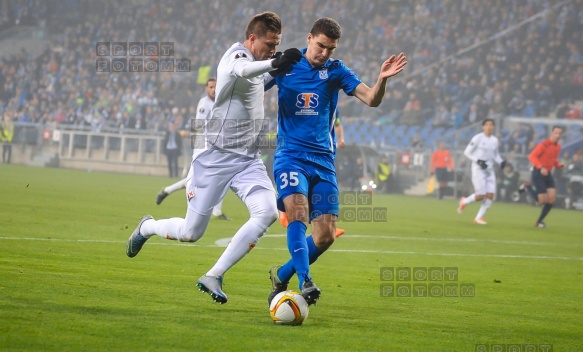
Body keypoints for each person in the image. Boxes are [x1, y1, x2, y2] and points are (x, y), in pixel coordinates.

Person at [126, 11, 302, 304]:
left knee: (268, 212)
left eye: (277, 44)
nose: (273, 48)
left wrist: (288, 61)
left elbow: (262, 76)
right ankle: (147, 227)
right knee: (190, 233)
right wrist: (275, 62)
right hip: (214, 158)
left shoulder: (258, 64)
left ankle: (214, 275)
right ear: (252, 38)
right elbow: (246, 71)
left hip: (246, 159)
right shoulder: (234, 58)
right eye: (269, 43)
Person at [264, 17, 407, 306]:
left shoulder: (336, 70)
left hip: (323, 162)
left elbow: (371, 99)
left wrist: (381, 80)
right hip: (290, 157)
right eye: (321, 46)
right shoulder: (286, 65)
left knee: (326, 236)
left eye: (331, 48)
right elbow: (251, 89)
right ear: (309, 38)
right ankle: (305, 280)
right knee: (297, 212)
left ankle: (281, 273)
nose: (325, 53)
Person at [155, 78, 232, 220]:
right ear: (206, 89)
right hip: (204, 146)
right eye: (211, 87)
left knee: (219, 175)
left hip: (216, 145)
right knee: (199, 178)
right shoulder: (205, 104)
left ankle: (216, 211)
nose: (213, 89)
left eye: (215, 87)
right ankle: (167, 191)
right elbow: (200, 126)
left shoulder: (219, 102)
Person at [457, 119, 506, 224]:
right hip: (478, 169)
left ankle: (478, 218)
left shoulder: (494, 140)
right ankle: (464, 201)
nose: (489, 127)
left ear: (493, 127)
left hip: (489, 169)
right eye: (487, 124)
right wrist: (478, 161)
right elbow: (467, 152)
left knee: (490, 195)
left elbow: (495, 155)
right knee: (480, 196)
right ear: (483, 127)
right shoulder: (478, 138)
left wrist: (501, 162)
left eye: (491, 125)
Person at [519, 126, 564, 227]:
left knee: (551, 199)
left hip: (548, 174)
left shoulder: (558, 146)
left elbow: (553, 159)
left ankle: (539, 222)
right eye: (556, 133)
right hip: (538, 173)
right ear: (551, 133)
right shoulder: (544, 144)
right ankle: (527, 186)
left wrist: (558, 165)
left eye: (559, 133)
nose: (558, 135)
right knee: (541, 201)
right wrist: (541, 167)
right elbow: (532, 156)